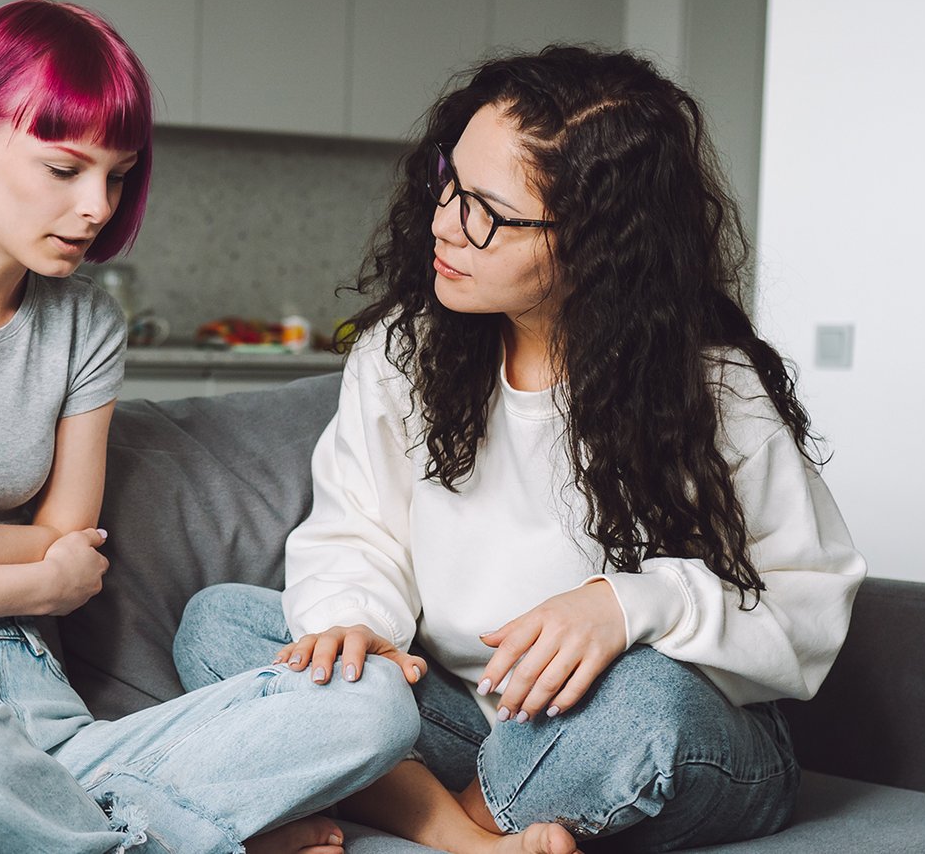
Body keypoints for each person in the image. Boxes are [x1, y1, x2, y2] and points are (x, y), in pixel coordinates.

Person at [174, 46, 868, 854]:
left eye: (486, 213)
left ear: (597, 243)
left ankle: (421, 810)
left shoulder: (715, 387)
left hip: (665, 734)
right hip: (468, 719)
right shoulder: (403, 352)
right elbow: (356, 531)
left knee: (643, 699)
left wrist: (631, 606)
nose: (443, 223)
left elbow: (810, 603)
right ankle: (472, 834)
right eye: (448, 183)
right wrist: (353, 624)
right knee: (222, 626)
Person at [0, 0, 417, 854]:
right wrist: (34, 580)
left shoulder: (86, 325)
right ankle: (172, 837)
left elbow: (75, 542)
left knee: (372, 702)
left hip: (52, 729)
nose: (97, 207)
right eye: (65, 169)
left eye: (116, 175)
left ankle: (87, 830)